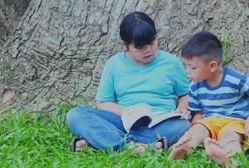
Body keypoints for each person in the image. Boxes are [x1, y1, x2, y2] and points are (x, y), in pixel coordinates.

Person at [66, 11, 190, 152]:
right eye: (140, 47)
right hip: (123, 119)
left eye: (152, 42)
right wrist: (129, 112)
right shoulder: (114, 64)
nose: (148, 50)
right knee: (75, 115)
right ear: (125, 46)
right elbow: (102, 103)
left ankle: (101, 142)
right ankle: (136, 147)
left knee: (182, 125)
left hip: (158, 121)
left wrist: (182, 106)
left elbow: (185, 93)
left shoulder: (171, 63)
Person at [168, 32, 249, 167]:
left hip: (234, 122)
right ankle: (183, 148)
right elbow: (198, 112)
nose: (187, 71)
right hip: (209, 121)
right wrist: (192, 129)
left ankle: (230, 160)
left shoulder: (234, 79)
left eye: (193, 67)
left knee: (229, 138)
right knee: (196, 131)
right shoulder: (195, 86)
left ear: (212, 66)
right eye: (186, 66)